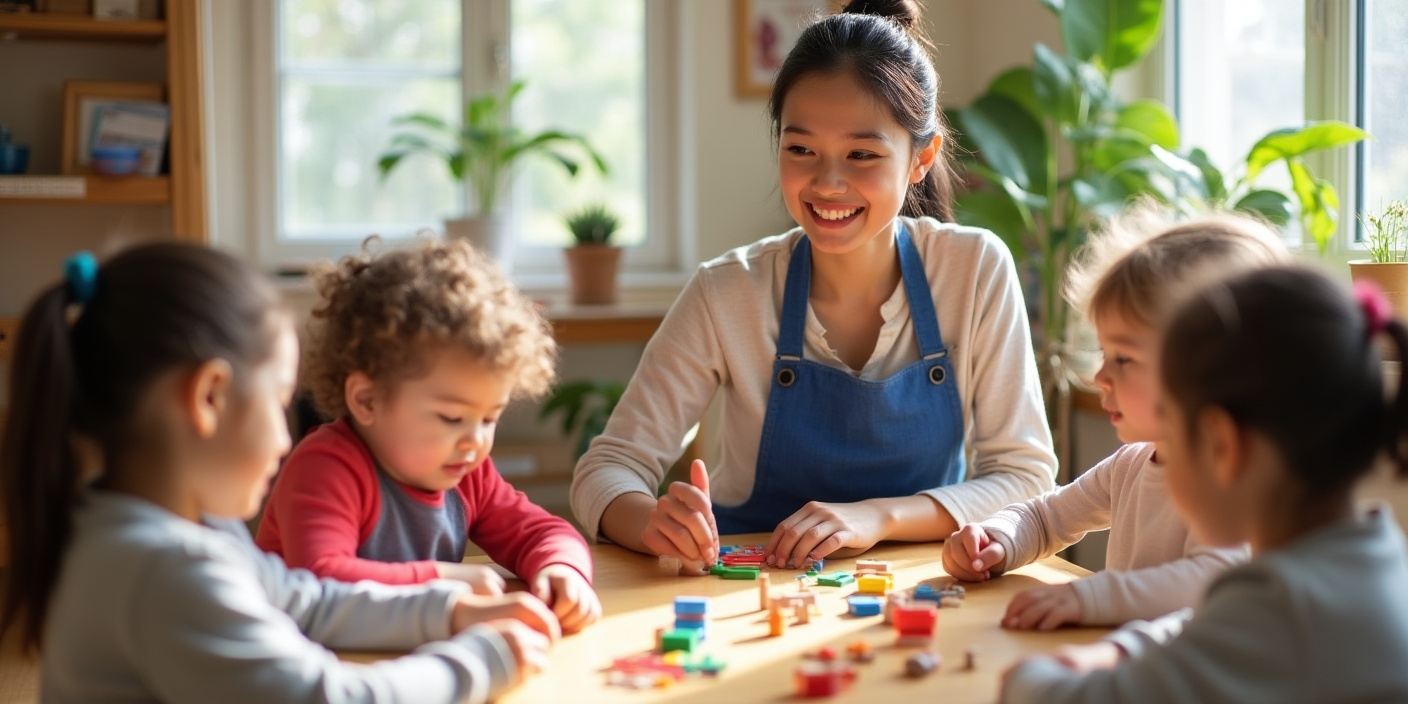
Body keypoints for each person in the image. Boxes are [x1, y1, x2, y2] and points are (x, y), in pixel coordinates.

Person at [570, 0, 1056, 571]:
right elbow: (606, 469)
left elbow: (1025, 479)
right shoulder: (727, 292)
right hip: (748, 589)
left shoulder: (974, 271)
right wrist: (651, 521)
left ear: (921, 158)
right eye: (800, 149)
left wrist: (877, 518)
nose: (828, 184)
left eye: (862, 154)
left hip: (920, 588)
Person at [0, 244, 560, 703]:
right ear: (210, 398)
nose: (285, 438)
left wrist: (450, 610)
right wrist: (485, 658)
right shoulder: (165, 569)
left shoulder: (165, 526)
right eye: (277, 402)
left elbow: (305, 599)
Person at [1000, 266, 1408, 702]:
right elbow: (1216, 626)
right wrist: (1123, 649)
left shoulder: (1285, 609)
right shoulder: (1371, 557)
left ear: (1221, 445)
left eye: (1171, 428)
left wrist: (1027, 677)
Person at [942, 210, 1287, 629]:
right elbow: (1045, 518)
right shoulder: (1130, 466)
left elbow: (1208, 580)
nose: (1099, 376)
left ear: (1213, 368)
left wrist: (1088, 596)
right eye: (1105, 354)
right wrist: (996, 538)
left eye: (1123, 358)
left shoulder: (1232, 480)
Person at [256, 239, 600, 634]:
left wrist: (562, 568)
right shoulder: (325, 468)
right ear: (367, 399)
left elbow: (544, 531)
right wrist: (444, 578)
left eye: (489, 418)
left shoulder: (467, 471)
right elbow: (319, 581)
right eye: (452, 417)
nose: (475, 440)